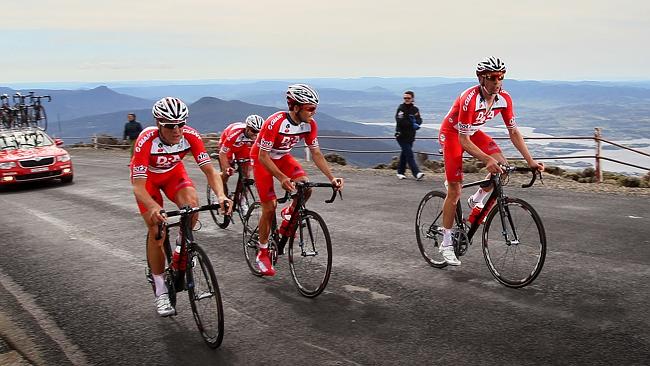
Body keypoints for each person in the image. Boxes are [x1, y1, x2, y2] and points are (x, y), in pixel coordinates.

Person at [130, 97, 232, 316]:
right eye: (170, 125)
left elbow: (210, 171)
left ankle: (181, 250)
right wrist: (153, 207)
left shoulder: (191, 136)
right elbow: (138, 187)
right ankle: (160, 290)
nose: (177, 130)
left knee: (192, 207)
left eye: (181, 123)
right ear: (159, 123)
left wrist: (221, 195)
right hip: (148, 180)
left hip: (173, 175)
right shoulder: (146, 140)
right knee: (157, 232)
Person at [437, 56, 544, 266]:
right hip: (453, 135)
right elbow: (463, 140)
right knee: (455, 191)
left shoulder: (504, 98)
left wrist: (531, 161)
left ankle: (476, 199)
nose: (497, 82)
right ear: (481, 79)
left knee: (502, 167)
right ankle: (446, 243)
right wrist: (486, 159)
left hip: (472, 133)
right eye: (492, 77)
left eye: (501, 77)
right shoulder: (470, 99)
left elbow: (514, 132)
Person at [251, 84, 344, 276]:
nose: (313, 113)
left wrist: (332, 177)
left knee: (306, 186)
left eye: (315, 108)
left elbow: (316, 153)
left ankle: (289, 213)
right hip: (262, 159)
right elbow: (263, 156)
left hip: (283, 156)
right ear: (295, 107)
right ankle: (262, 253)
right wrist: (282, 177)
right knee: (269, 207)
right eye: (310, 108)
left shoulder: (310, 124)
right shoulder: (274, 122)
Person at [218, 114, 264, 204]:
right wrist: (227, 167)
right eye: (254, 131)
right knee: (227, 173)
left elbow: (260, 153)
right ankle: (222, 194)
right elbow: (222, 153)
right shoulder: (235, 134)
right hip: (229, 147)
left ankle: (241, 200)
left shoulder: (258, 135)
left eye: (259, 131)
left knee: (246, 174)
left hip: (242, 146)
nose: (256, 134)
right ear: (247, 128)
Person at [394, 91, 424, 180]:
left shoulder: (415, 109)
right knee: (409, 154)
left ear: (412, 99)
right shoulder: (401, 108)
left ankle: (400, 172)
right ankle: (416, 173)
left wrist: (417, 123)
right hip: (401, 136)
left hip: (410, 136)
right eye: (405, 98)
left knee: (404, 154)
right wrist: (411, 124)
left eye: (408, 98)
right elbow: (400, 121)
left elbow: (419, 119)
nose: (406, 100)